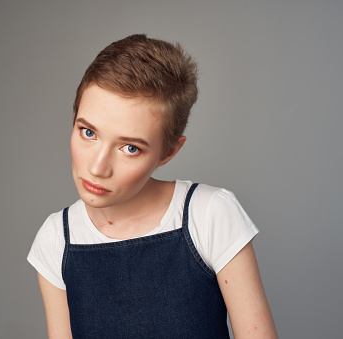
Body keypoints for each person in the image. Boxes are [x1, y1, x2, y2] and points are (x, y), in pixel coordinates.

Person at [27, 34, 277, 338]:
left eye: (130, 148)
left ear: (169, 151)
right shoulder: (56, 238)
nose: (97, 167)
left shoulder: (210, 214)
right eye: (88, 132)